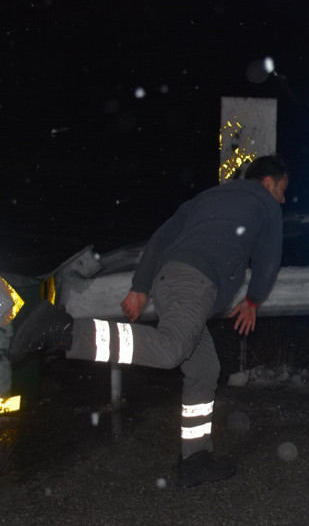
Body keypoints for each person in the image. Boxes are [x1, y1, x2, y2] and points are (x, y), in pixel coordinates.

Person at [9, 155, 290, 484]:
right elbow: (270, 257)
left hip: (171, 281)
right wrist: (253, 300)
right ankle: (65, 331)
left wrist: (141, 287)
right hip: (195, 284)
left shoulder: (207, 197)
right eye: (283, 190)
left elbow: (160, 239)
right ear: (268, 182)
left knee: (203, 368)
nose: (284, 199)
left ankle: (195, 459)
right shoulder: (264, 203)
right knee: (170, 351)